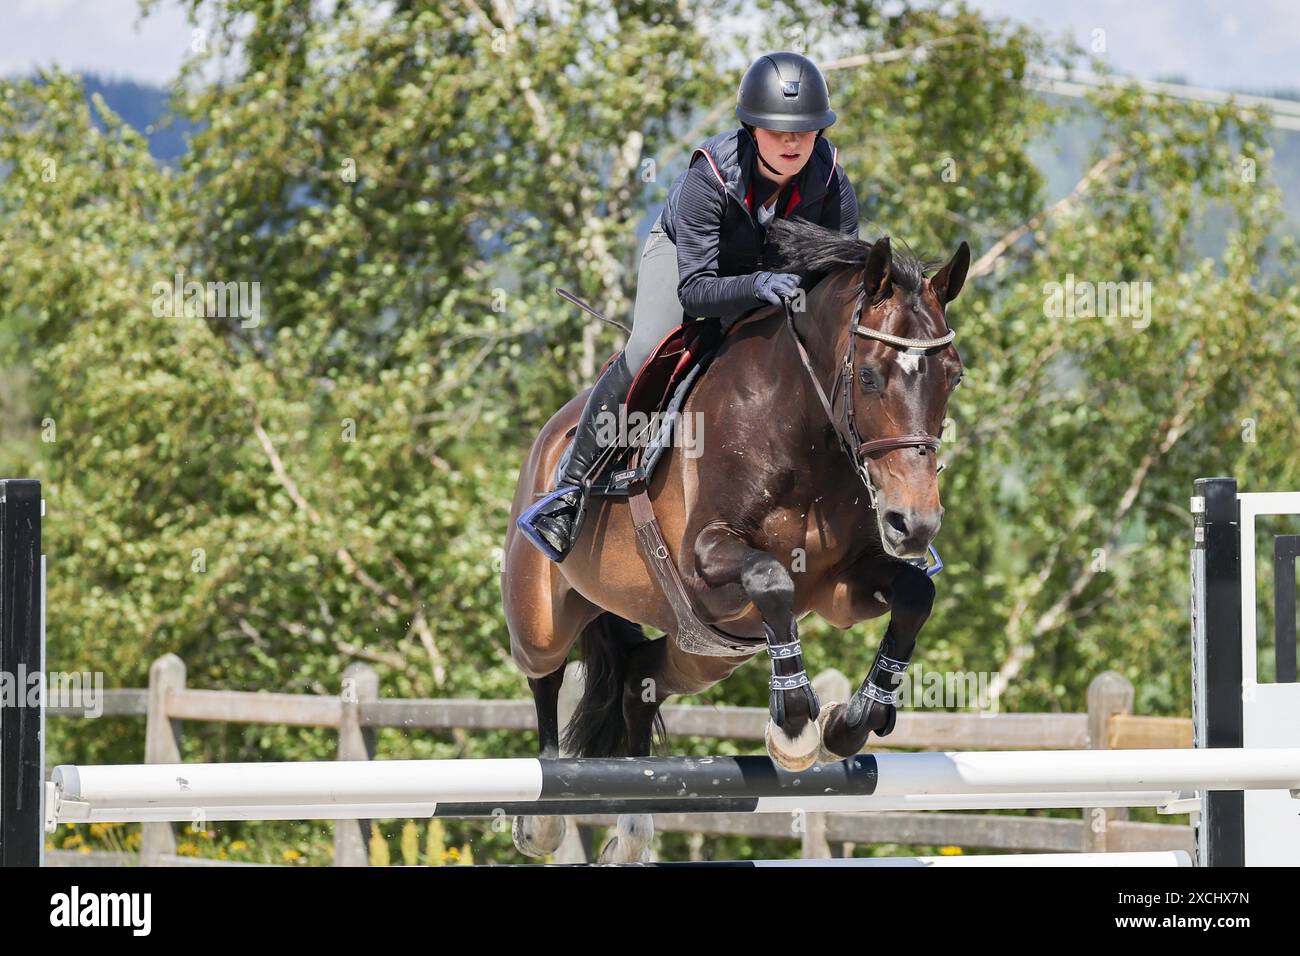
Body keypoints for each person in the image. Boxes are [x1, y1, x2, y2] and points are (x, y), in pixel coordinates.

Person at [519, 51, 861, 562]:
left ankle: (877, 506)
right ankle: (568, 491)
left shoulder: (832, 181)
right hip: (688, 263)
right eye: (777, 130)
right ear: (750, 128)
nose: (793, 142)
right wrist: (759, 283)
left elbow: (840, 282)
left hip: (773, 276)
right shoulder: (713, 176)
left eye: (805, 131)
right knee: (646, 347)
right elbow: (697, 291)